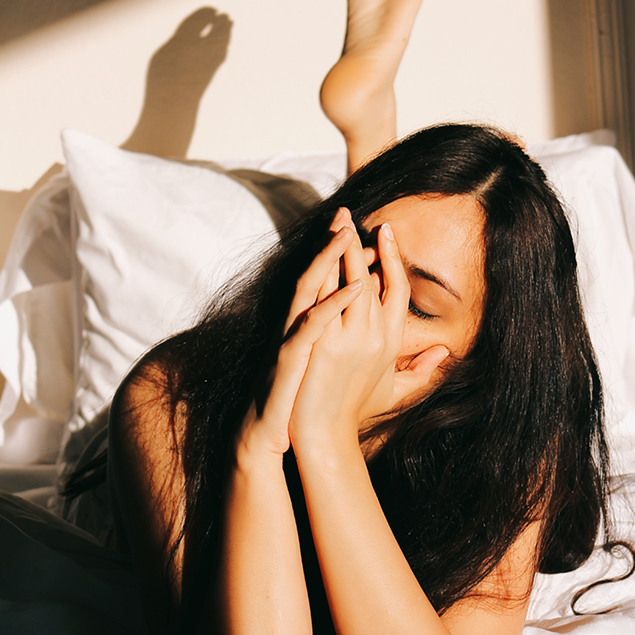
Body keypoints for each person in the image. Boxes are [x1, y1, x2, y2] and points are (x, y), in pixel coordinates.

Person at [89, 1, 613, 633]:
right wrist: (259, 450)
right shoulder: (169, 398)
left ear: (478, 360)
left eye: (417, 304)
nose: (359, 301)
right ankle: (368, 138)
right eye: (353, 258)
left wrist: (324, 434)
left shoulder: (513, 437)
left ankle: (370, 130)